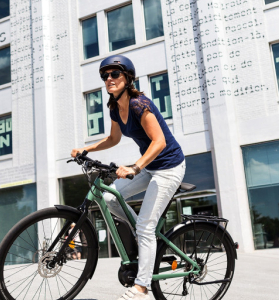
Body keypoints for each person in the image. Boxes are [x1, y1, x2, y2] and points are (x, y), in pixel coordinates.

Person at [71, 54, 185, 300]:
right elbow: (113, 139)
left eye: (114, 74)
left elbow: (159, 141)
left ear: (127, 78)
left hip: (169, 167)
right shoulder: (115, 106)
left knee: (146, 226)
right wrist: (86, 149)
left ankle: (142, 287)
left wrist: (135, 166)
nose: (108, 79)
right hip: (149, 166)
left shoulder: (138, 104)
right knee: (111, 198)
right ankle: (142, 233)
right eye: (105, 75)